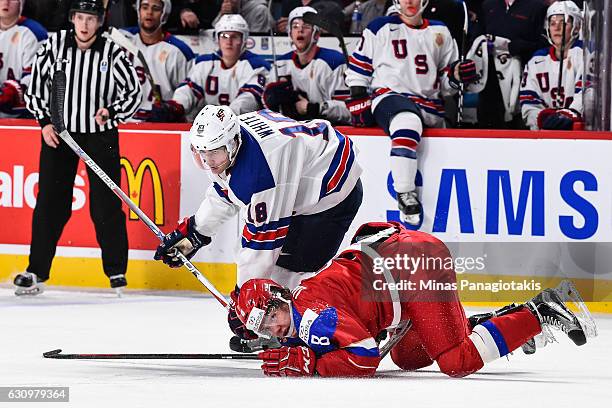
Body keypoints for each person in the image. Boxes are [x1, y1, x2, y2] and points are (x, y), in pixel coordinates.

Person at [234, 221, 596, 377]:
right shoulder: (300, 310)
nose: (275, 326)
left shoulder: (310, 310)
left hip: (413, 266)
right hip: (403, 272)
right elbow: (335, 336)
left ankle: (542, 310)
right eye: (265, 327)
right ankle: (507, 322)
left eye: (272, 314)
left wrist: (313, 365)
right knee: (408, 356)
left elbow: (363, 357)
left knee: (457, 361)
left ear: (281, 297)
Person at [153, 104, 363, 341]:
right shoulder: (227, 142)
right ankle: (280, 327)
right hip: (303, 173)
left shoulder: (261, 173)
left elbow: (261, 246)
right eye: (203, 153)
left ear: (232, 144)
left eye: (215, 153)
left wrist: (244, 300)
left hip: (332, 194)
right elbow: (227, 191)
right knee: (272, 278)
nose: (209, 161)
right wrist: (195, 232)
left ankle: (307, 333)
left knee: (288, 274)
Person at [14, 0, 141, 296]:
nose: (85, 25)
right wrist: (44, 122)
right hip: (59, 136)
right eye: (80, 18)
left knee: (106, 206)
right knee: (50, 204)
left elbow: (134, 92)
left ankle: (116, 271)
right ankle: (36, 271)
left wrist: (112, 111)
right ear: (72, 18)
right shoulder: (54, 45)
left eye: (91, 19)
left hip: (100, 138)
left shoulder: (112, 51)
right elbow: (35, 88)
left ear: (100, 22)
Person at [345, 0, 477, 229]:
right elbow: (358, 71)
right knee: (407, 122)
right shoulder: (379, 27)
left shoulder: (440, 31)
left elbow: (446, 83)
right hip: (389, 97)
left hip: (430, 105)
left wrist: (457, 75)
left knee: (445, 147)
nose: (409, 2)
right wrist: (358, 98)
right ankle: (405, 193)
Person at [151, 14, 270, 121]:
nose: (228, 41)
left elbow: (248, 100)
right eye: (224, 36)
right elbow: (189, 90)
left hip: (241, 128)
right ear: (217, 39)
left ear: (244, 40)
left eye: (234, 36)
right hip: (206, 128)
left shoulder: (257, 66)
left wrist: (223, 117)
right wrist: (175, 106)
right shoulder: (204, 63)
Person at [263, 6, 350, 124]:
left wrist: (314, 108)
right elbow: (264, 107)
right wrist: (270, 98)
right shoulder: (280, 64)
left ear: (316, 34)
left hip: (329, 131)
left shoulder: (333, 62)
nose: (300, 30)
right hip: (290, 131)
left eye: (306, 26)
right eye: (295, 26)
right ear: (290, 33)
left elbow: (349, 109)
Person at [472, 0, 548, 128]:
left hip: (523, 78)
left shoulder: (538, 7)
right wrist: (483, 46)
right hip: (490, 80)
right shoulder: (488, 5)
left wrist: (520, 47)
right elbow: (477, 37)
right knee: (487, 126)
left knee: (517, 125)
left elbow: (545, 43)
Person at [120, 0, 196, 121]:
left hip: (160, 126)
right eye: (145, 7)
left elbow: (190, 94)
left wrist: (172, 111)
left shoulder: (179, 52)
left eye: (155, 8)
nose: (149, 12)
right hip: (123, 123)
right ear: (138, 11)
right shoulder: (121, 39)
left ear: (164, 14)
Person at [520, 1, 584, 130]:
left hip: (581, 133)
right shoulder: (536, 61)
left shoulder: (587, 55)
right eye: (552, 23)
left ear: (576, 26)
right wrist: (541, 119)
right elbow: (529, 103)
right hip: (546, 136)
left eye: (563, 22)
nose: (557, 28)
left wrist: (570, 114)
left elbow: (589, 95)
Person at [0, 0, 47, 118]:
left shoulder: (35, 33)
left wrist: (15, 90)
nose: (6, 2)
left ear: (21, 3)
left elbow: (36, 77)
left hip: (23, 113)